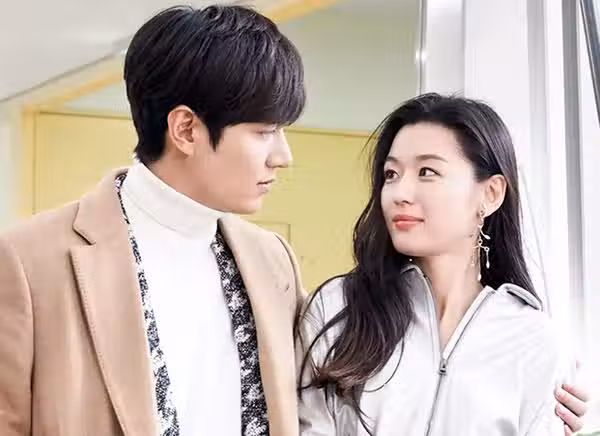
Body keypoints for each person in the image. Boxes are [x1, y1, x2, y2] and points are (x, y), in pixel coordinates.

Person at [0, 5, 306, 436]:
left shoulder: (273, 260)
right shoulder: (28, 261)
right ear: (185, 130)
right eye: (264, 132)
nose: (283, 157)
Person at [296, 94, 589, 436]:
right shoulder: (337, 308)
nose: (399, 192)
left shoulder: (534, 341)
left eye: (427, 172)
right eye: (391, 174)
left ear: (491, 194)